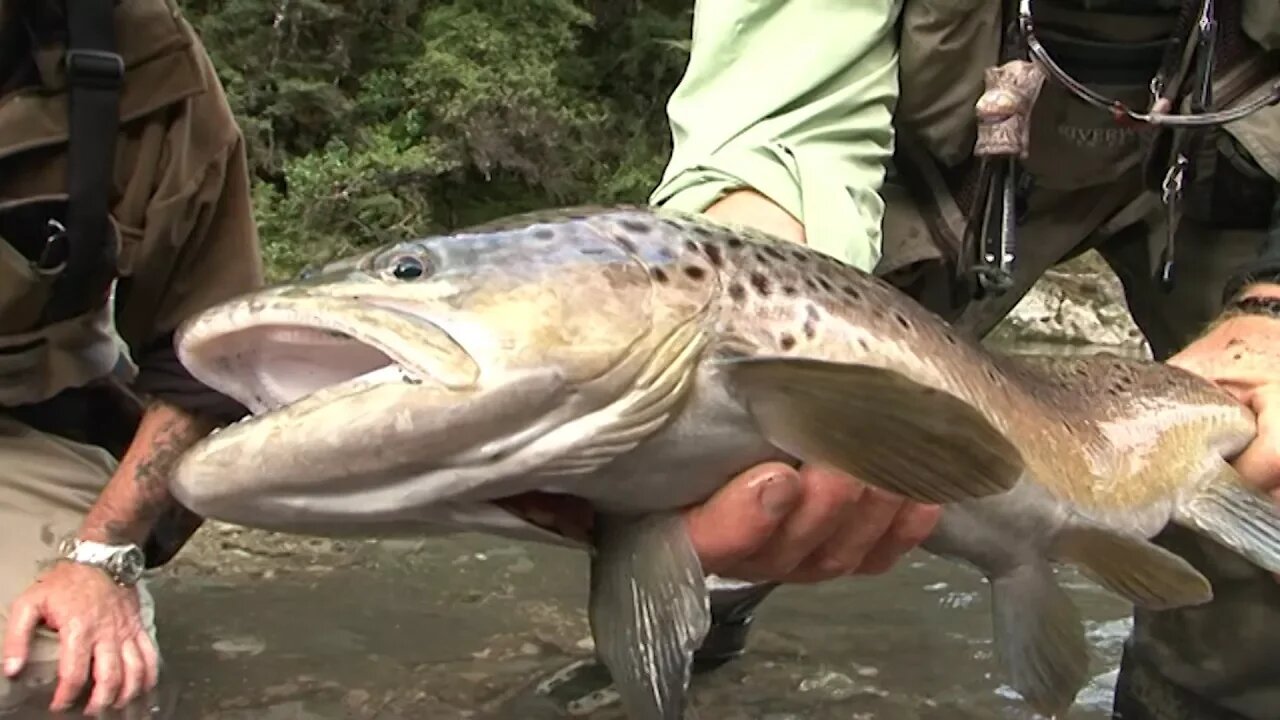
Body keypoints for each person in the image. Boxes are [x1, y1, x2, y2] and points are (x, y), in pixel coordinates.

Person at [536, 1, 1280, 718]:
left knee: (1266, 473)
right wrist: (739, 332)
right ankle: (685, 646)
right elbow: (781, 124)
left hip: (1242, 172)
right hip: (938, 160)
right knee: (735, 457)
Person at [0, 0, 265, 715]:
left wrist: (99, 555)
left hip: (26, 420)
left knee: (50, 671)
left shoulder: (146, 62)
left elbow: (202, 351)